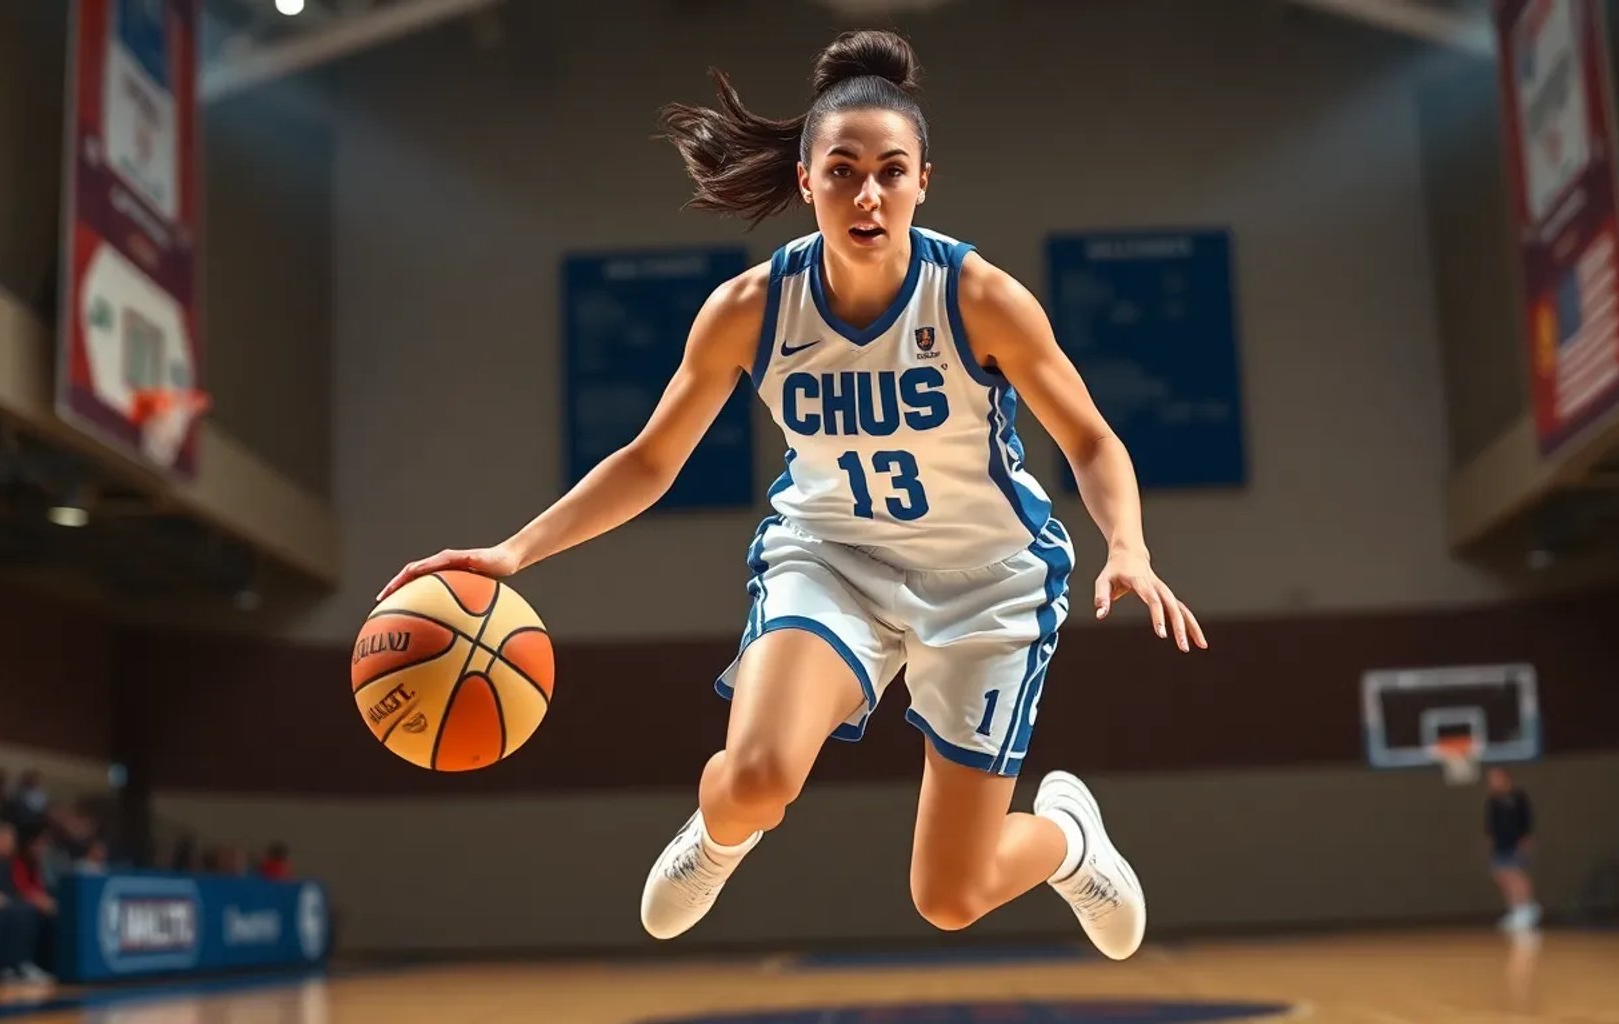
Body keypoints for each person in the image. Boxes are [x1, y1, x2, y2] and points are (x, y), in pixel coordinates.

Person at [378, 29, 1205, 961]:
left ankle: (1069, 839)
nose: (868, 194)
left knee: (951, 897)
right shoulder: (750, 310)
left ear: (924, 182)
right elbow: (650, 461)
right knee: (757, 778)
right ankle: (722, 831)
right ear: (807, 180)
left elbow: (1090, 439)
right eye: (843, 171)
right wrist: (513, 552)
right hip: (833, 558)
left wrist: (1128, 546)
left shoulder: (978, 298)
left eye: (891, 172)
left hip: (987, 582)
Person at [1485, 767, 1539, 932]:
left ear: (1506, 778)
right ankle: (1515, 910)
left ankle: (1527, 908)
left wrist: (1525, 839)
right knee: (1501, 876)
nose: (1492, 782)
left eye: (1496, 778)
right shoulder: (1492, 801)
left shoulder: (1518, 797)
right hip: (1500, 844)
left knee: (1516, 875)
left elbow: (1526, 819)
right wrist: (1491, 843)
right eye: (1491, 779)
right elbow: (1490, 825)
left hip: (1515, 843)